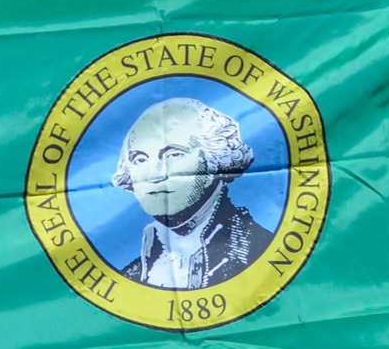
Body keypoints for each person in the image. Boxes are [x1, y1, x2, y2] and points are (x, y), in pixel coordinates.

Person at [112, 97, 273, 289]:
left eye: (173, 155)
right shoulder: (128, 276)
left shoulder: (262, 253)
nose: (154, 174)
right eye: (140, 159)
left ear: (215, 161)